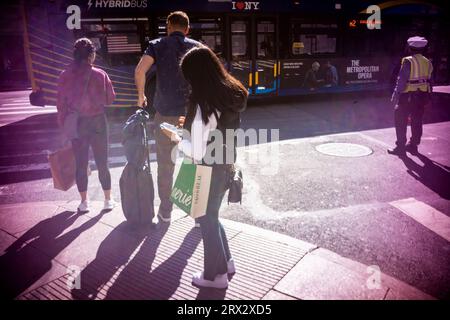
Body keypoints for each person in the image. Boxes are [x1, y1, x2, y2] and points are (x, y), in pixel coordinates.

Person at [162, 46, 248, 289]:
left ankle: (216, 276)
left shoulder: (204, 103)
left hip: (209, 167)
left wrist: (179, 139)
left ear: (197, 76)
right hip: (226, 163)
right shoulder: (230, 93)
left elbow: (197, 150)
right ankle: (227, 262)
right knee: (212, 216)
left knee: (205, 218)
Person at [135, 11, 201, 223]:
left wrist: (141, 96)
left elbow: (140, 71)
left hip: (165, 116)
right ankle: (198, 214)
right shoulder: (197, 47)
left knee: (165, 164)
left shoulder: (157, 44)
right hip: (192, 115)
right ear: (187, 29)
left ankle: (166, 211)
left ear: (169, 26)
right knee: (194, 162)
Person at [57, 38, 116, 212]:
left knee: (81, 163)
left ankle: (84, 202)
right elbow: (110, 99)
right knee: (102, 162)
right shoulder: (100, 74)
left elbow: (60, 105)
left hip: (78, 123)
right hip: (97, 121)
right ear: (91, 55)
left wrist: (64, 129)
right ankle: (107, 200)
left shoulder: (64, 75)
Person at [388, 36, 433, 156]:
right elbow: (430, 81)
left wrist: (395, 95)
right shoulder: (427, 62)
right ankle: (413, 146)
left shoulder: (408, 61)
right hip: (422, 96)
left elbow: (401, 80)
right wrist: (429, 96)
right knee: (417, 121)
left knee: (400, 120)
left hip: (407, 96)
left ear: (410, 48)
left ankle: (400, 147)